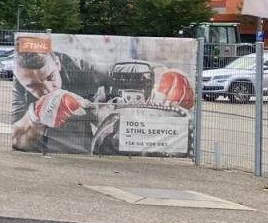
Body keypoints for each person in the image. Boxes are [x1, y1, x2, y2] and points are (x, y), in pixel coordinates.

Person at [12, 49, 196, 153]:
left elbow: (130, 68)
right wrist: (34, 116)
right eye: (33, 86)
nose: (47, 89)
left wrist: (169, 77)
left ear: (58, 64)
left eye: (50, 77)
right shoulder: (19, 89)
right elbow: (15, 140)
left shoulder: (81, 70)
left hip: (91, 116)